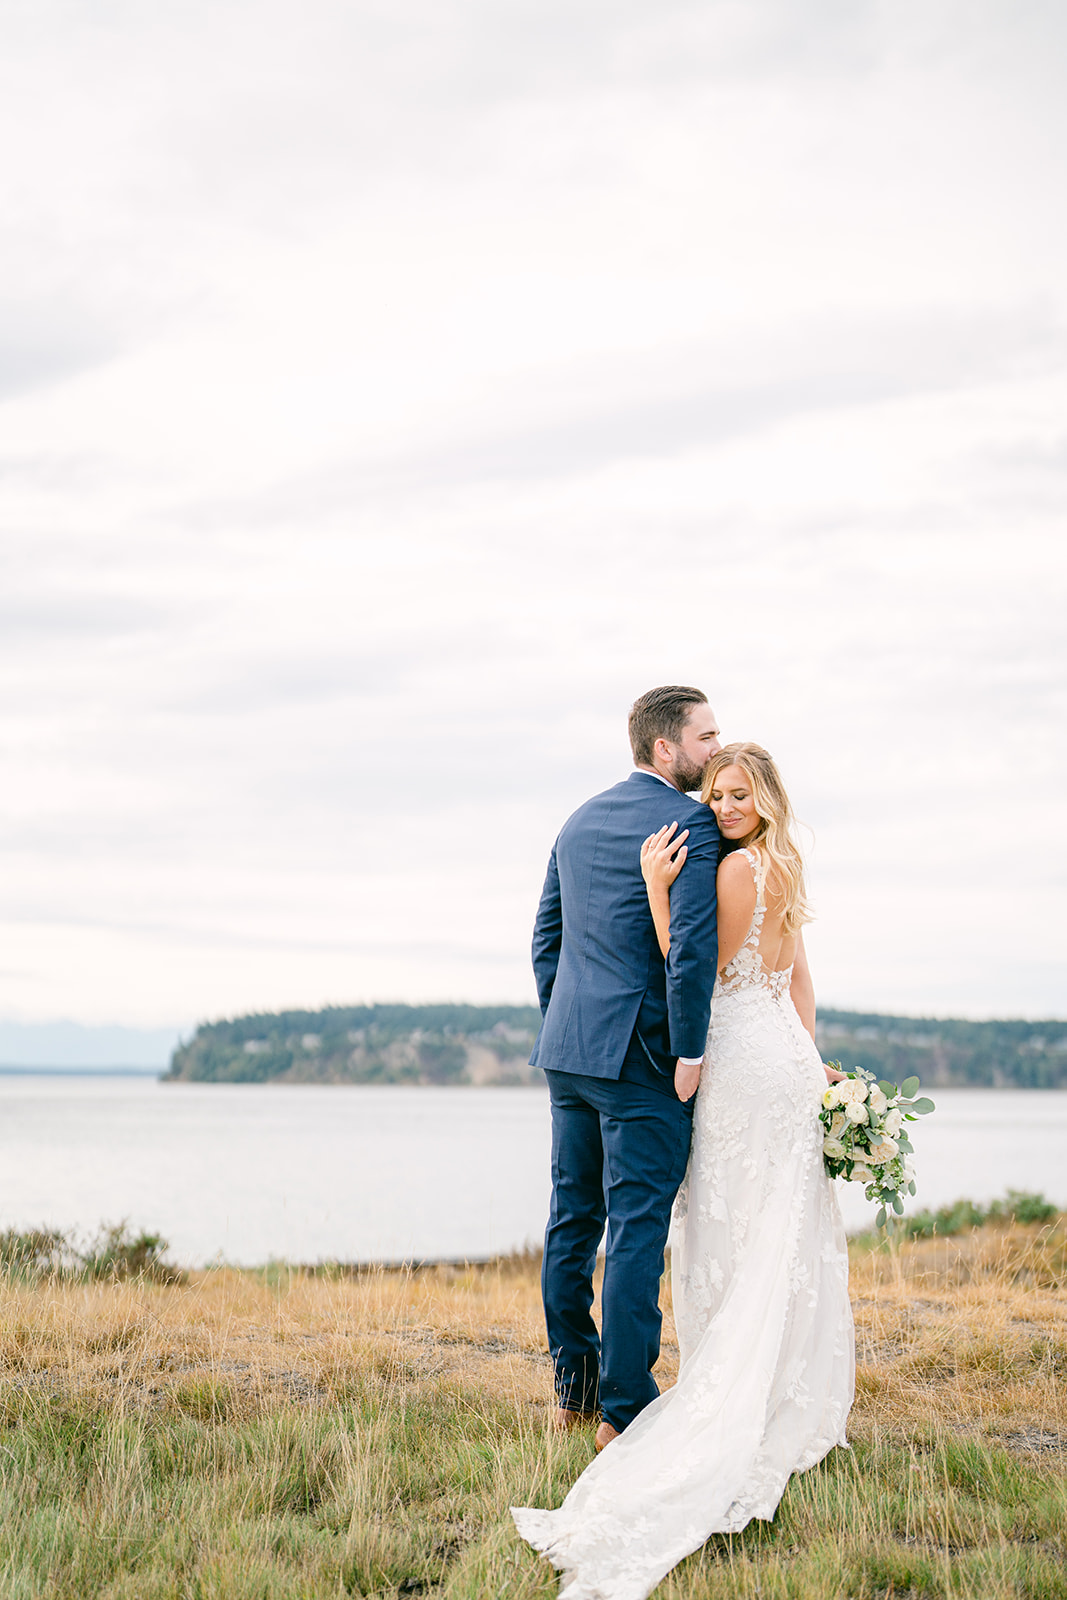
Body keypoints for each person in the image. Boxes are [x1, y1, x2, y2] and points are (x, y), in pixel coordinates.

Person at [513, 742, 855, 1600]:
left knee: (712, 1225)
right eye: (714, 788)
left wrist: (661, 895)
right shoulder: (780, 865)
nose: (721, 803)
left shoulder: (728, 868)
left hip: (733, 1064)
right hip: (775, 1058)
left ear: (766, 796)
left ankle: (620, 1396)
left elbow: (689, 969)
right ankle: (761, 1391)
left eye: (737, 792)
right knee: (776, 1229)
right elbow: (798, 985)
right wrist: (811, 1062)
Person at [529, 686, 723, 1452]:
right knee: (637, 1226)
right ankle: (625, 1411)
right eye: (706, 737)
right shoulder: (693, 825)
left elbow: (546, 937)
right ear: (665, 748)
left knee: (572, 1221)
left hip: (568, 1050)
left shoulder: (576, 822)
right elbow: (693, 954)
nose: (716, 749)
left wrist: (563, 1017)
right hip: (642, 1057)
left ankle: (572, 1395)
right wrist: (689, 1051)